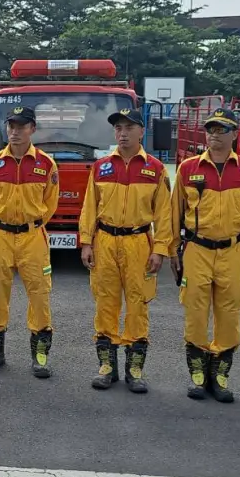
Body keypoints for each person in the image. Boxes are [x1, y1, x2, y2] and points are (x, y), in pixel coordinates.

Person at [168, 107, 240, 402]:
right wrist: (172, 251)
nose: (215, 136)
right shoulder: (188, 169)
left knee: (229, 314)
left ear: (235, 133)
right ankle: (198, 376)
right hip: (197, 249)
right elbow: (174, 213)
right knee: (195, 312)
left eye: (222, 130)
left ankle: (220, 375)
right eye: (211, 130)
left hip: (233, 252)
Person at [79, 108, 172, 393]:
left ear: (142, 132)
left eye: (130, 127)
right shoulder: (101, 167)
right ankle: (107, 367)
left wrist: (160, 249)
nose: (123, 133)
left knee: (137, 305)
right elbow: (89, 208)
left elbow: (164, 215)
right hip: (105, 241)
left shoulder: (155, 169)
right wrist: (86, 242)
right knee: (105, 303)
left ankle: (135, 369)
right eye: (119, 127)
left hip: (138, 243)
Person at [0, 105, 60, 378]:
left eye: (22, 126)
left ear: (32, 129)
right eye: (11, 126)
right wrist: (2, 224)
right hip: (1, 237)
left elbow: (50, 203)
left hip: (32, 238)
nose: (15, 131)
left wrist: (31, 224)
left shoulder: (46, 164)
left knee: (39, 295)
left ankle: (39, 354)